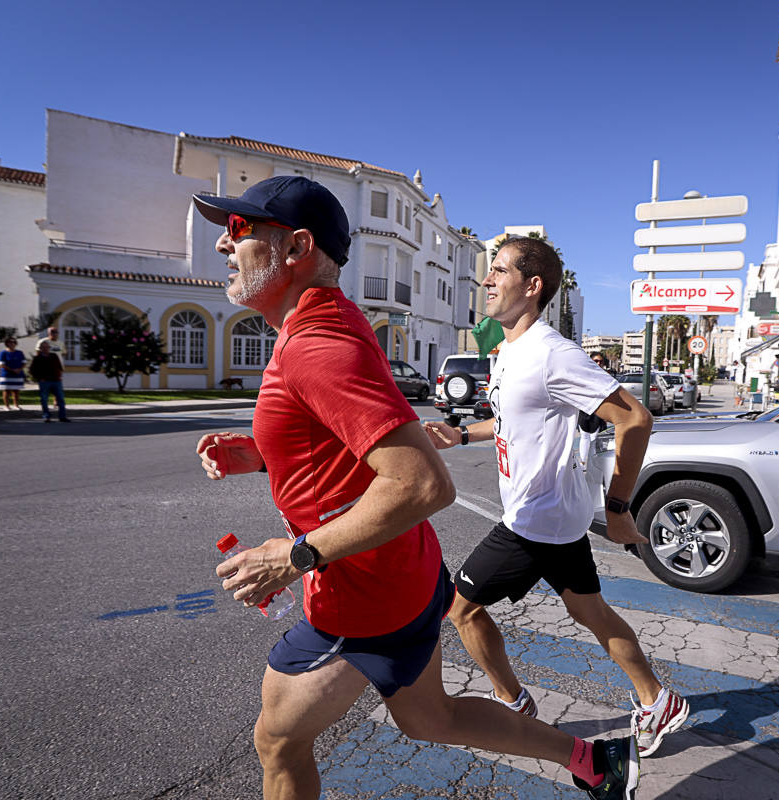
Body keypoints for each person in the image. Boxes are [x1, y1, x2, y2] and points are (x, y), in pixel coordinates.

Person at [190, 176, 638, 800]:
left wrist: (291, 555)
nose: (222, 245)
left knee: (278, 741)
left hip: (360, 594)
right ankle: (595, 760)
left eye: (238, 230)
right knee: (433, 718)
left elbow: (423, 484)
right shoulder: (326, 322)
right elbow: (346, 445)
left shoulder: (315, 344)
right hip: (405, 574)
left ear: (294, 249)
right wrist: (261, 456)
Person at [423, 237, 689, 759]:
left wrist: (617, 508)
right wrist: (464, 436)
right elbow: (512, 416)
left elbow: (635, 417)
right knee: (590, 611)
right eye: (489, 270)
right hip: (553, 517)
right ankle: (658, 701)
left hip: (533, 521)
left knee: (461, 610)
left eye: (499, 271)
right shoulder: (510, 350)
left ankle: (512, 701)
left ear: (532, 285)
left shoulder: (551, 353)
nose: (487, 280)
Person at [28, 340, 69, 423]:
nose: (46, 349)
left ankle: (62, 416)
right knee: (44, 399)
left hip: (56, 381)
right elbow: (32, 370)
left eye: (47, 347)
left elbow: (59, 367)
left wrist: (59, 375)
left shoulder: (54, 356)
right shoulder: (37, 358)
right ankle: (46, 416)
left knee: (60, 399)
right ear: (40, 349)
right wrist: (39, 378)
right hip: (44, 382)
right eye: (43, 347)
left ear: (49, 348)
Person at [0, 337, 26, 410]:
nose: (12, 344)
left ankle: (16, 405)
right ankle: (7, 406)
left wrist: (19, 369)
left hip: (18, 374)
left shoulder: (20, 352)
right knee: (7, 391)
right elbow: (1, 364)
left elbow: (24, 363)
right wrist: (12, 370)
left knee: (16, 391)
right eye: (10, 342)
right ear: (6, 344)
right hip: (7, 375)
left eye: (13, 342)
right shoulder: (3, 353)